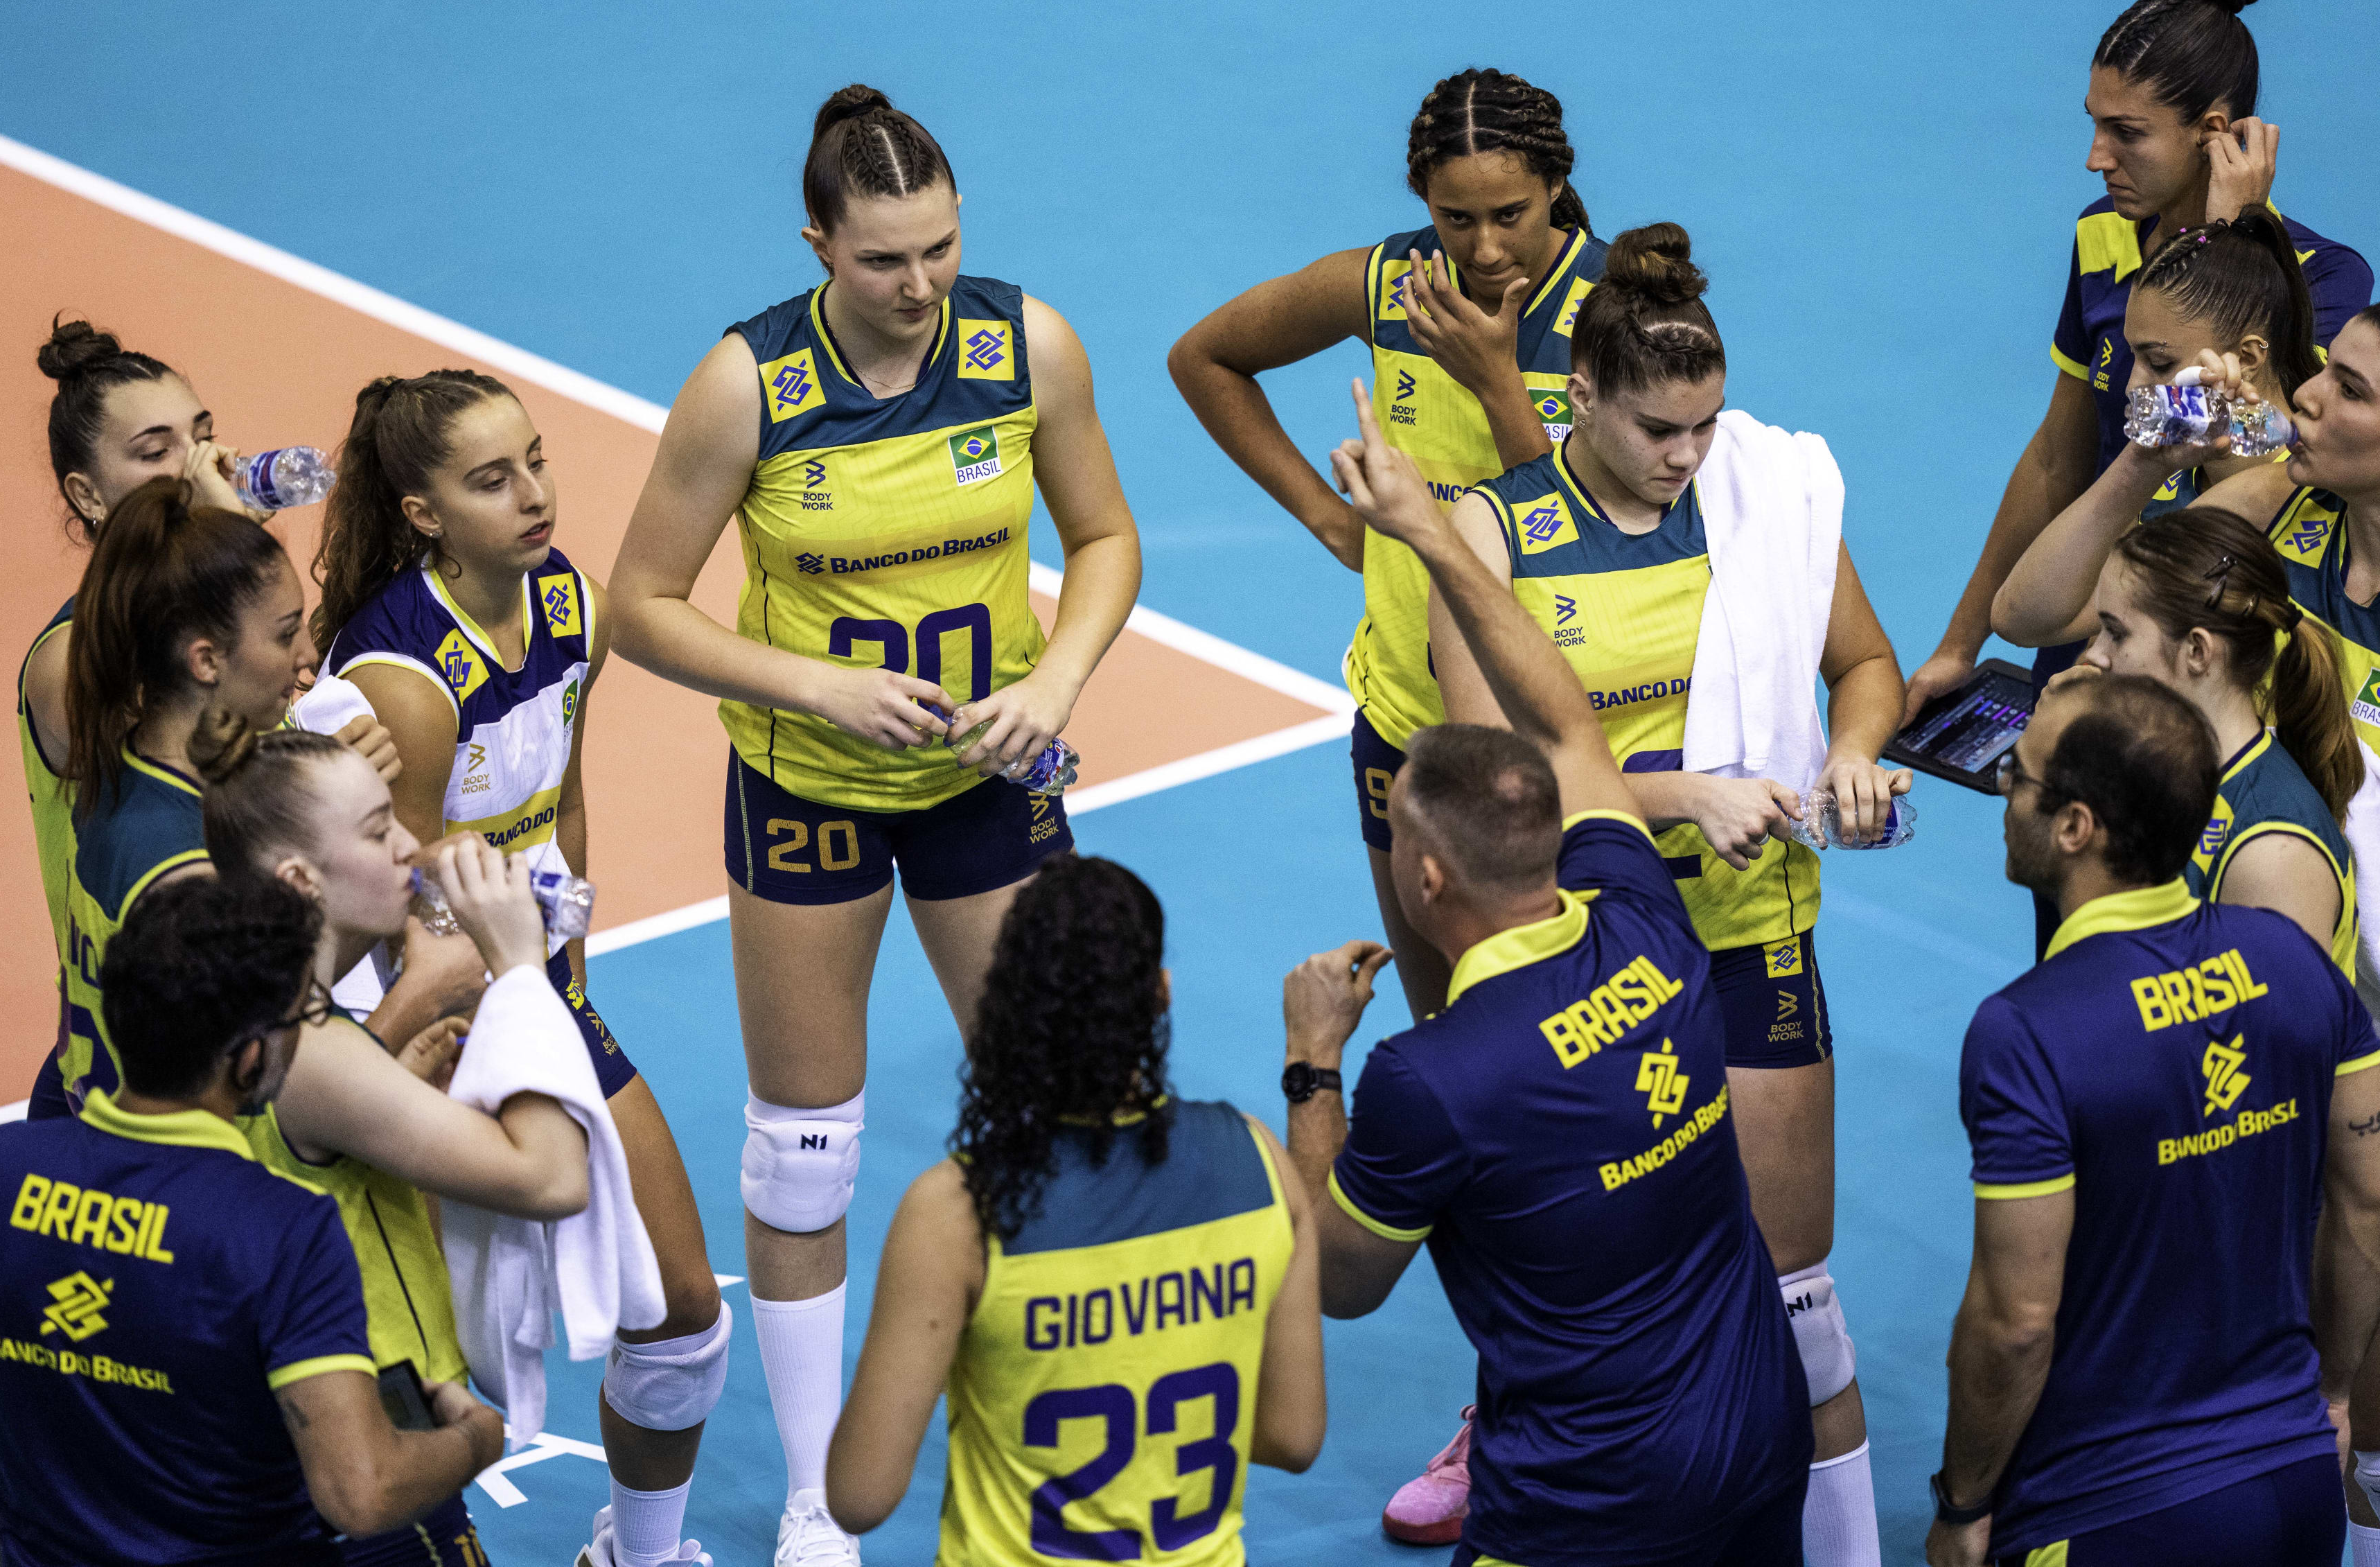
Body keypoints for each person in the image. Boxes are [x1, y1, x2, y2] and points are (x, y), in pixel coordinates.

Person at [608, 83, 1140, 1563]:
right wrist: (813, 685)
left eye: (943, 249)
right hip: (807, 787)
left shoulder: (1024, 344)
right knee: (802, 1155)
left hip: (987, 777)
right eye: (885, 260)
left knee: (1064, 1108)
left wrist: (1059, 674)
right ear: (817, 246)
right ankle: (809, 1500)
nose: (921, 286)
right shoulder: (749, 386)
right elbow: (639, 604)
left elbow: (1102, 536)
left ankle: (1052, 1431)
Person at [2002, 292, 2380, 1565]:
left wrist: (2326, 859)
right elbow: (2049, 612)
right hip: (2228, 1042)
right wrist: (2147, 453)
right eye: (2323, 372)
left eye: (2350, 389)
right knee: (2267, 1412)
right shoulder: (2281, 507)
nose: (2309, 395)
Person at [1426, 222, 1903, 1562]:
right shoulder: (1494, 527)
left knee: (1797, 1295)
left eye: (1703, 425)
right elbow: (1491, 780)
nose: (1688, 457)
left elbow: (1866, 664)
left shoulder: (1761, 497)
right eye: (1657, 430)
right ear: (1577, 393)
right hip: (1582, 953)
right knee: (1602, 1278)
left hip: (1752, 927)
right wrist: (1681, 790)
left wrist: (1852, 753)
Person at [1285, 376, 1813, 1565]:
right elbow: (1573, 730)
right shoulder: (1649, 917)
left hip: (1584, 1508)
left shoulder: (1429, 1076)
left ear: (1427, 882)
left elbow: (1338, 1275)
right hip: (1756, 1448)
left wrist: (1313, 1062)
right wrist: (1429, 530)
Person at [311, 368, 728, 1567]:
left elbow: (568, 801)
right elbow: (396, 898)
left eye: (536, 461)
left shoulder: (570, 604)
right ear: (424, 511)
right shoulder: (404, 681)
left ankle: (635, 1554)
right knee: (437, 1358)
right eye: (493, 480)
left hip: (533, 986)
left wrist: (569, 984)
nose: (535, 493)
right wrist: (471, 1039)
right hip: (419, 1016)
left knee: (685, 1311)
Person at [1926, 674, 2380, 1567]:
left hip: (2111, 1512)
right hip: (2298, 1488)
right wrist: (2331, 1396)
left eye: (2021, 777)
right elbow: (2377, 1204)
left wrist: (1963, 1502)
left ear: (2076, 829)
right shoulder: (2295, 961)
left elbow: (2016, 1320)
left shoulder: (2027, 1031)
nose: (2004, 788)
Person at [1169, 67, 1612, 1031]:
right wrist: (1328, 520)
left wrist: (1497, 381)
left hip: (1581, 736)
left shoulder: (1615, 317)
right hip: (1411, 726)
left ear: (1556, 189)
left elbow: (1581, 537)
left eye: (1511, 213)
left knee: (1586, 1034)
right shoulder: (1385, 286)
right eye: (1457, 219)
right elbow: (1205, 357)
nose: (1485, 248)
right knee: (1454, 1031)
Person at [193, 712, 642, 1566]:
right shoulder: (316, 1051)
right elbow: (550, 1178)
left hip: (293, 1437)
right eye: (378, 831)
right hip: (369, 1448)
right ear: (299, 880)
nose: (412, 847)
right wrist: (518, 971)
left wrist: (395, 1065)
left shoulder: (261, 1012)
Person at [0, 872, 506, 1566]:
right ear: (253, 1057)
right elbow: (362, 1495)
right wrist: (477, 1438)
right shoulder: (283, 1230)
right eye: (301, 1020)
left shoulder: (1, 1167)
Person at [1907, 0, 2373, 717]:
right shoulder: (2103, 237)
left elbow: (2259, 461)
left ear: (2214, 133)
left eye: (2127, 132)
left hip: (2210, 656)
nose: (2097, 158)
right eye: (2094, 125)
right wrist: (1962, 646)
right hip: (2081, 618)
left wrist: (2229, 234)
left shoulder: (2323, 279)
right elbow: (2060, 454)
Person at [823, 854, 1326, 1557]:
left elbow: (858, 1495)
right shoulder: (1258, 1160)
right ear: (1161, 994)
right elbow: (1293, 1436)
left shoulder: (957, 1212)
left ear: (1008, 1006)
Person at [19, 315, 392, 1118]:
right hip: (135, 1084)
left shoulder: (216, 631)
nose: (197, 467)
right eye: (155, 452)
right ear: (85, 494)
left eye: (204, 437)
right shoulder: (70, 659)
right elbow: (206, 737)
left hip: (229, 1030)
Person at [2002, 505, 2364, 971]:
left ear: (2196, 651)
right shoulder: (2147, 767)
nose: (2095, 654)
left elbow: (2275, 1041)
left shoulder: (2272, 856)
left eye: (2115, 632)